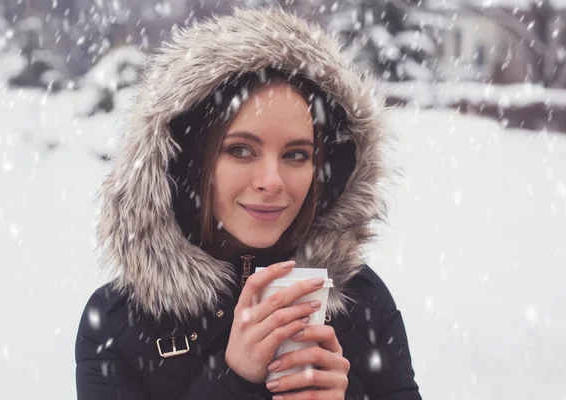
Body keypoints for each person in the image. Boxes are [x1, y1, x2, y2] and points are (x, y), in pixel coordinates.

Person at [75, 7, 422, 400]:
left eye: (295, 155)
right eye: (240, 150)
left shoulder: (362, 301)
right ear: (190, 161)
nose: (271, 182)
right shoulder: (119, 322)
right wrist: (232, 382)